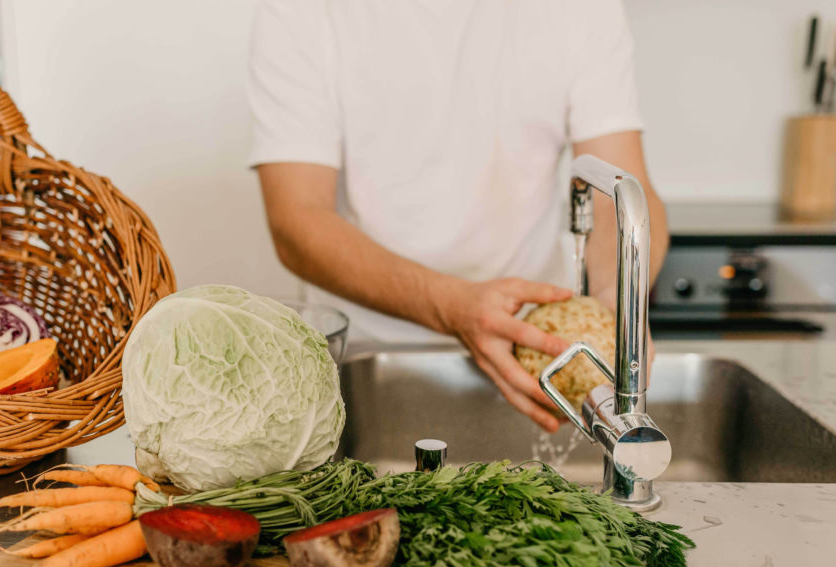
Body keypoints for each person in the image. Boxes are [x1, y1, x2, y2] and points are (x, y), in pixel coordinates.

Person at [247, 0, 667, 433]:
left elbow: (623, 195)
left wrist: (616, 307)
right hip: (367, 361)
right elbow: (297, 221)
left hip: (534, 361)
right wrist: (451, 305)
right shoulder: (302, 12)